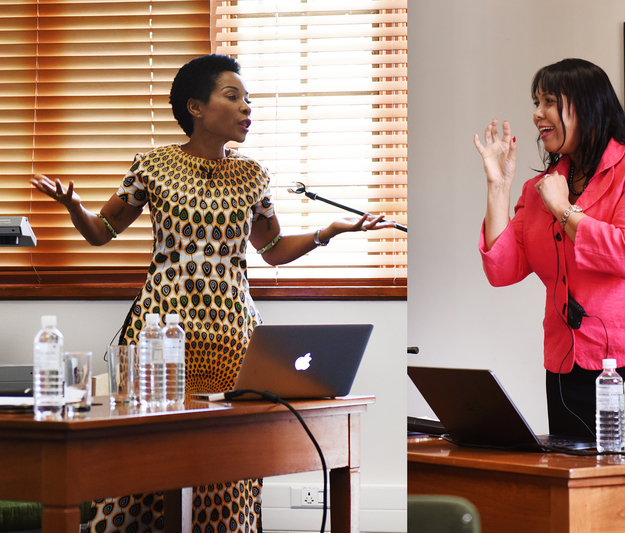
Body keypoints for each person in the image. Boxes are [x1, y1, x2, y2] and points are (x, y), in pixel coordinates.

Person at [31, 54, 394, 533]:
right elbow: (102, 231)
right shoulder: (152, 166)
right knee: (142, 458)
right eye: (234, 96)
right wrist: (75, 206)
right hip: (161, 337)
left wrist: (329, 231)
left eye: (249, 100)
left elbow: (272, 249)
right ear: (196, 107)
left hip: (233, 337)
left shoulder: (252, 176)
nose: (247, 108)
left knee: (229, 466)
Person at [473, 58, 625, 446]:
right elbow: (503, 269)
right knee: (574, 495)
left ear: (586, 106)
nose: (536, 114)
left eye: (548, 102)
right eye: (535, 102)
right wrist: (499, 186)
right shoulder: (541, 187)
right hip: (568, 365)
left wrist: (564, 211)